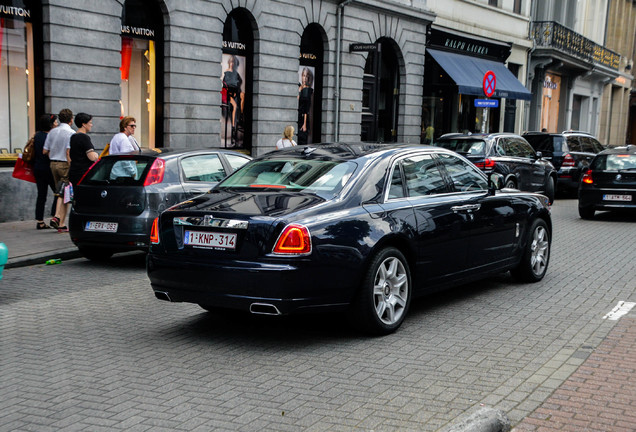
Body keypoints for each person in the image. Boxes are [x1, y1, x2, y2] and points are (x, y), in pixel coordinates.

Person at [43, 108, 75, 232]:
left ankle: (61, 223)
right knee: (64, 192)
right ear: (71, 120)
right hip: (64, 164)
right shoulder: (71, 133)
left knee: (61, 192)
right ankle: (57, 218)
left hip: (52, 164)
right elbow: (69, 151)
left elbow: (45, 151)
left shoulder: (52, 132)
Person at [33, 114, 59, 230]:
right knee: (58, 193)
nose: (57, 123)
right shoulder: (50, 137)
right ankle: (55, 216)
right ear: (51, 124)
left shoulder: (37, 135)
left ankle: (40, 221)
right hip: (49, 168)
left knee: (41, 195)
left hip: (38, 168)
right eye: (55, 122)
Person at [68, 113, 99, 186]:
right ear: (84, 124)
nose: (91, 125)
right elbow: (91, 157)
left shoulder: (73, 137)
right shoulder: (84, 137)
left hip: (74, 172)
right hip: (83, 173)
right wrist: (96, 155)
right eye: (90, 123)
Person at [222, 55, 244, 142]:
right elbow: (226, 84)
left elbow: (238, 83)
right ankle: (234, 127)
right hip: (229, 93)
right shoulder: (227, 73)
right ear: (229, 63)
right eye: (231, 62)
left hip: (235, 92)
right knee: (234, 106)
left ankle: (240, 116)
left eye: (233, 62)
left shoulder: (236, 73)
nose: (232, 64)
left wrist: (236, 90)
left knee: (242, 96)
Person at [297, 67, 314, 145]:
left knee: (302, 139)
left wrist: (304, 124)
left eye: (307, 76)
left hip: (303, 117)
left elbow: (306, 108)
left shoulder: (308, 90)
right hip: (297, 116)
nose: (305, 78)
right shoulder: (299, 87)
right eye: (303, 75)